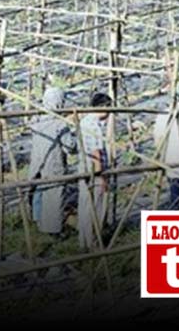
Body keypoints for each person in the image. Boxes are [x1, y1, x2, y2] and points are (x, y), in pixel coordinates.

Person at [28, 86, 70, 235]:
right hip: (53, 162)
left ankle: (37, 221)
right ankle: (52, 229)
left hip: (38, 161)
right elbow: (69, 146)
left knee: (39, 190)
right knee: (54, 195)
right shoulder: (60, 124)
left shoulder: (37, 119)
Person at [78, 92, 111, 250]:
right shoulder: (94, 125)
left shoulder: (85, 121)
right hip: (94, 170)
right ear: (103, 107)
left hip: (84, 167)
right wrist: (101, 177)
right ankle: (94, 243)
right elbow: (96, 153)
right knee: (96, 206)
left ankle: (84, 241)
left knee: (85, 204)